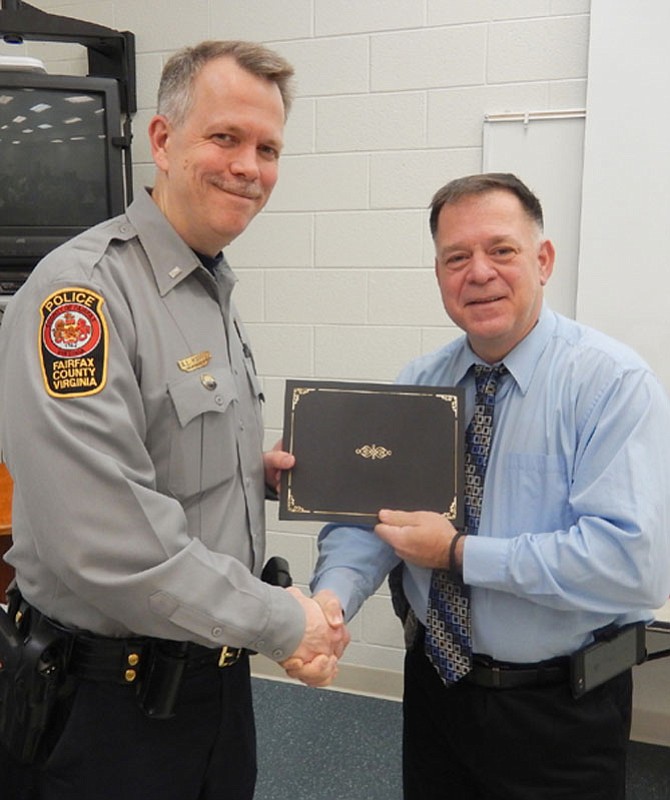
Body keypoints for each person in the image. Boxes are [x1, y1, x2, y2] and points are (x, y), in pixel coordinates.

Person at [0, 40, 347, 800]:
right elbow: (109, 544)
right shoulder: (80, 299)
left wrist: (248, 471)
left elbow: (158, 448)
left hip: (213, 688)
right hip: (104, 711)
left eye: (268, 148)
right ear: (161, 140)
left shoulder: (207, 286)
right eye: (224, 138)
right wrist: (289, 626)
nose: (249, 167)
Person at [306, 173, 670, 800]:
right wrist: (328, 603)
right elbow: (371, 518)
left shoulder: (612, 385)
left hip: (558, 714)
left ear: (543, 260)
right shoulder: (420, 382)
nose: (479, 272)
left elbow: (629, 565)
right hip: (435, 693)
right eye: (456, 257)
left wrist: (458, 553)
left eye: (501, 250)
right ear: (440, 273)